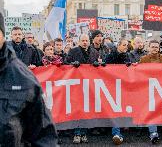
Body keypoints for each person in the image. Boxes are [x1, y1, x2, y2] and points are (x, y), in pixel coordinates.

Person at [0, 13, 58, 146]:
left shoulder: (24, 79)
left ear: (3, 36)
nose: (18, 36)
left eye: (20, 34)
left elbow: (43, 135)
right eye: (15, 34)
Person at [65, 34, 99, 144]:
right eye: (83, 40)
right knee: (77, 109)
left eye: (86, 40)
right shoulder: (73, 51)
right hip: (76, 84)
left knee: (86, 109)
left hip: (89, 84)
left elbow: (98, 67)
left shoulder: (94, 52)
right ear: (79, 42)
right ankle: (77, 133)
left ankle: (84, 133)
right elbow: (65, 63)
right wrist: (72, 64)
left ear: (89, 42)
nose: (85, 42)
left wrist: (97, 64)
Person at [136, 39, 162, 144]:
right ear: (148, 48)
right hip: (148, 88)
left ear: (159, 48)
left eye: (156, 47)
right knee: (152, 110)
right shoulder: (143, 59)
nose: (154, 49)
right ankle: (153, 132)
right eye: (152, 47)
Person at [105, 39, 131, 145]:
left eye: (127, 45)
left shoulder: (127, 56)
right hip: (112, 86)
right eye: (124, 45)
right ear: (118, 45)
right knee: (115, 109)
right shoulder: (110, 56)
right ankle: (117, 133)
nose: (126, 47)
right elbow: (106, 68)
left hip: (123, 86)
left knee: (120, 109)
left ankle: (118, 131)